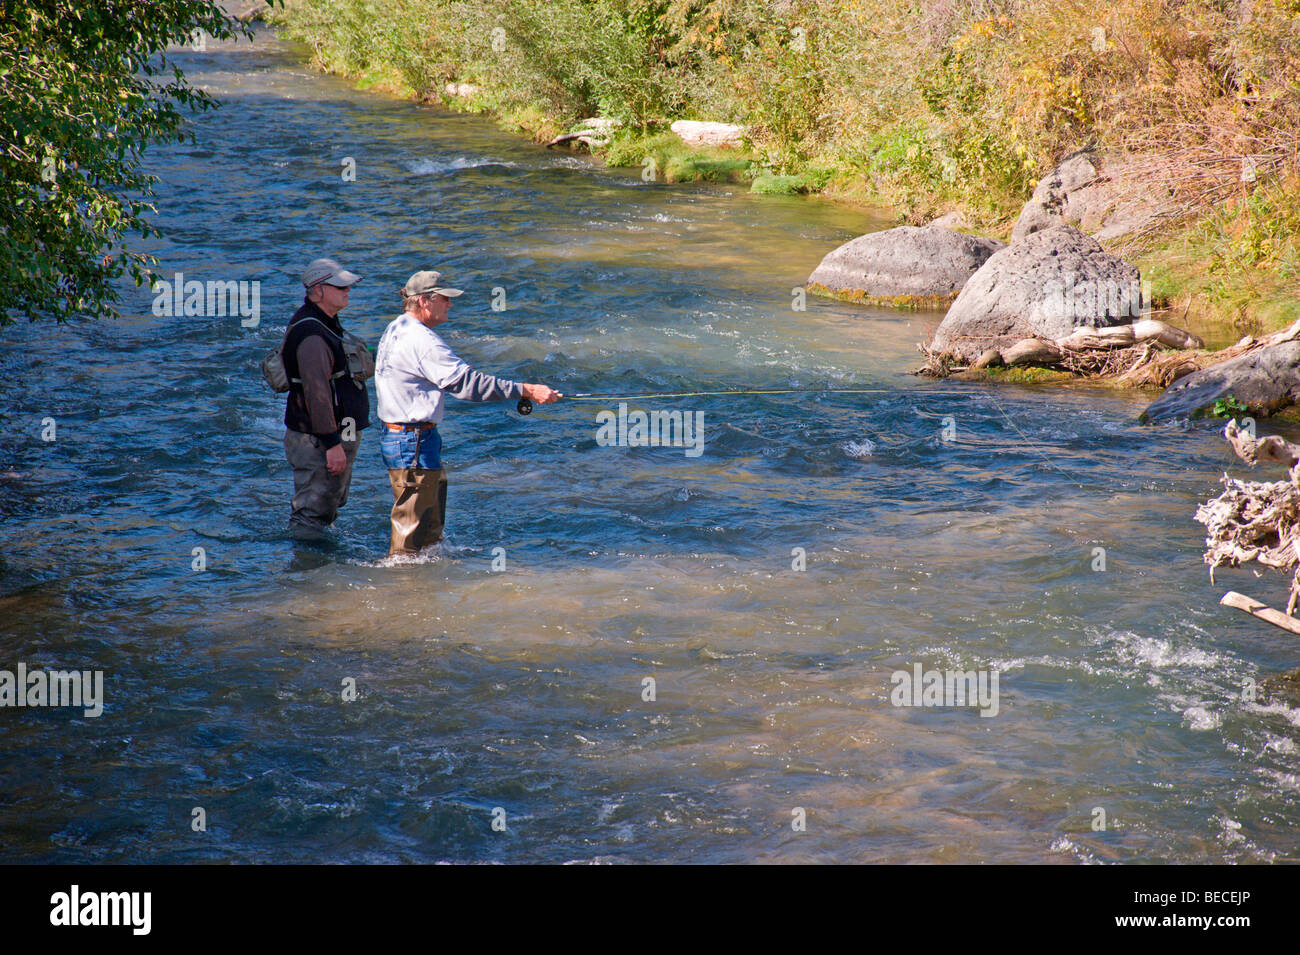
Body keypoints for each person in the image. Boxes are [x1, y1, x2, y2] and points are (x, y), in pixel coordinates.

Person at [375, 269, 561, 555]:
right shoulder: (422, 341)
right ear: (425, 301)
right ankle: (401, 588)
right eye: (445, 299)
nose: (450, 304)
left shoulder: (396, 328)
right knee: (410, 537)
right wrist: (525, 390)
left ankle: (423, 591)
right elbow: (468, 385)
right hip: (412, 444)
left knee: (427, 534)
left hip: (408, 439)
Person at [283, 257, 372, 534]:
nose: (348, 291)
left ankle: (317, 564)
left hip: (331, 437)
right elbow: (317, 394)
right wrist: (332, 444)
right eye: (340, 287)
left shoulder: (325, 322)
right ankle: (306, 571)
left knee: (327, 505)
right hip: (320, 441)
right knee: (312, 513)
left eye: (347, 287)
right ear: (318, 290)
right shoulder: (312, 334)